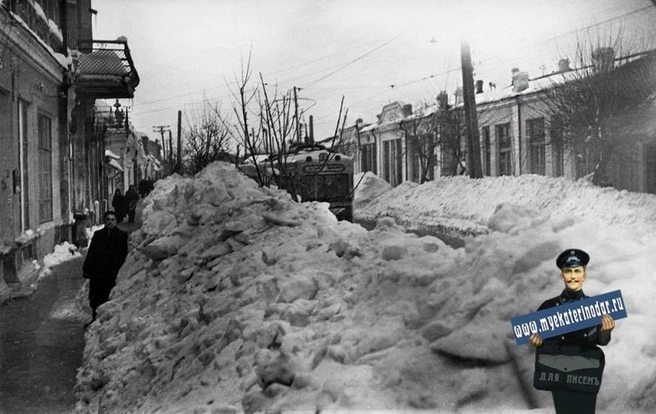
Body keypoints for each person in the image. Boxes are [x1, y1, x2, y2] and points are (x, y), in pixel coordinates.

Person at [529, 248, 615, 414]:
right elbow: (540, 340)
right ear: (562, 275)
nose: (573, 276)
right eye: (568, 271)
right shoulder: (547, 307)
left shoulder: (596, 307)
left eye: (577, 271)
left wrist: (606, 331)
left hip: (586, 373)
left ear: (584, 275)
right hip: (558, 372)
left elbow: (602, 341)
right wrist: (537, 342)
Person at [82, 211, 129, 325]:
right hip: (98, 271)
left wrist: (118, 268)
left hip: (112, 271)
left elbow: (124, 254)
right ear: (104, 221)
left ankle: (107, 321)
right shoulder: (98, 234)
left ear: (116, 221)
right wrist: (87, 268)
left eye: (112, 219)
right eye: (108, 219)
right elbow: (91, 252)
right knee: (95, 296)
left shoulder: (122, 235)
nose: (110, 222)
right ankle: (95, 318)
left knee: (108, 295)